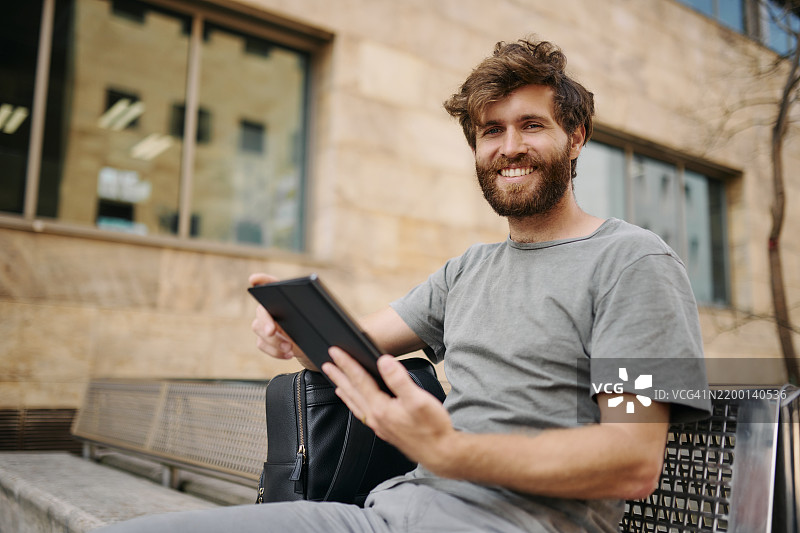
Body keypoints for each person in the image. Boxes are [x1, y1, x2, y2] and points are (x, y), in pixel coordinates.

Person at [98, 37, 711, 533]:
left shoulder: (633, 264)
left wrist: (452, 454)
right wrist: (293, 330)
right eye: (491, 131)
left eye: (531, 125)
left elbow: (632, 463)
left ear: (575, 137)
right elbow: (349, 348)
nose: (510, 147)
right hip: (388, 513)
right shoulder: (468, 270)